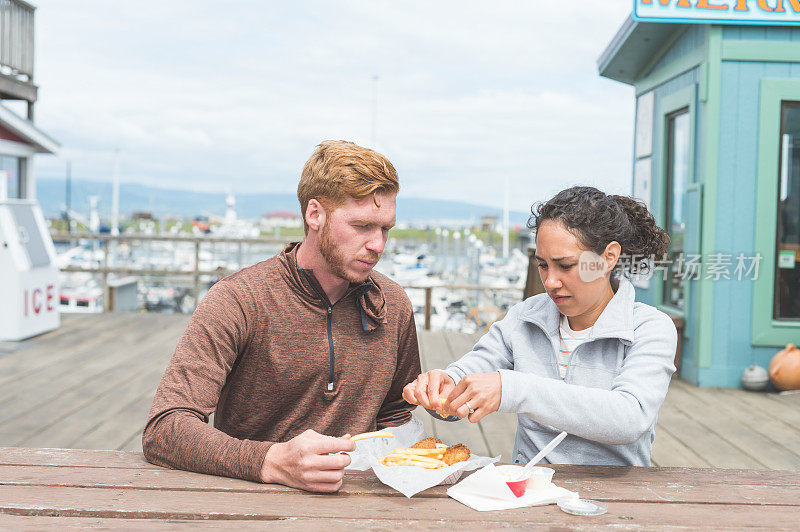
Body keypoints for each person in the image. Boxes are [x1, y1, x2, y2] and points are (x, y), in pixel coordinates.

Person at [143, 140, 421, 492]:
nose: (378, 245)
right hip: (253, 501)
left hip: (360, 506)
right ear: (314, 214)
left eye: (385, 229)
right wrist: (271, 461)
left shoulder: (393, 304)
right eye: (362, 226)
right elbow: (165, 428)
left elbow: (397, 418)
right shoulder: (238, 300)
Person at [403, 186, 678, 466]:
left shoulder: (650, 328)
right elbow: (470, 371)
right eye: (543, 265)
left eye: (566, 266)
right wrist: (444, 388)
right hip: (529, 494)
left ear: (609, 258)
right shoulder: (524, 317)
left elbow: (629, 419)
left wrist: (515, 389)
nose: (550, 282)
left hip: (618, 500)